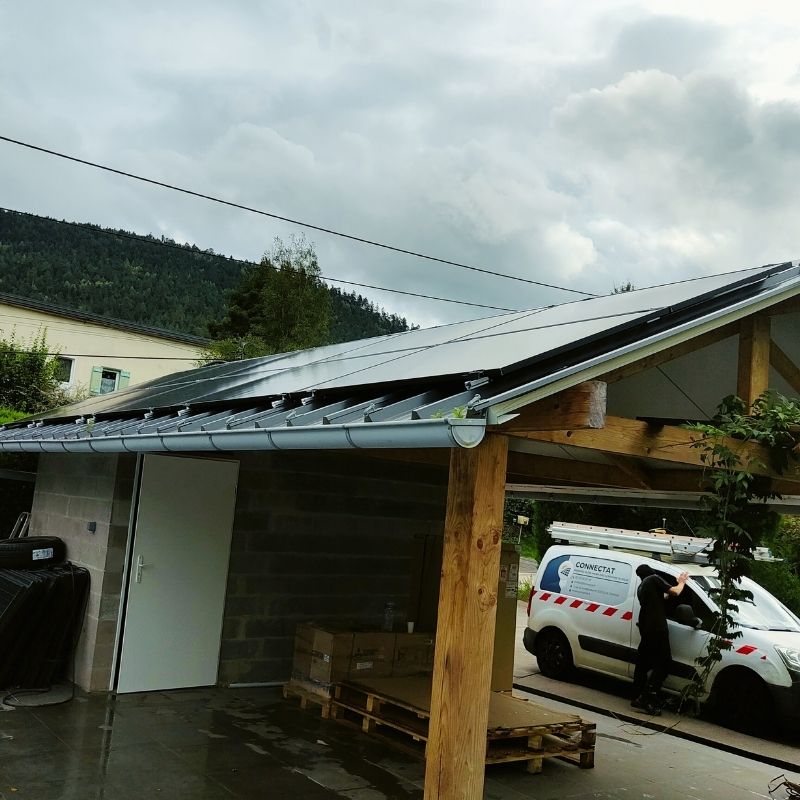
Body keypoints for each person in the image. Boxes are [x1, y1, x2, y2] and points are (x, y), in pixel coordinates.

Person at [631, 564, 689, 715]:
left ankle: (637, 696)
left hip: (645, 628)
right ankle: (648, 698)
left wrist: (668, 593)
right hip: (656, 629)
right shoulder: (654, 578)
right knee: (664, 664)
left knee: (643, 663)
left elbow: (662, 597)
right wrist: (681, 581)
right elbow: (675, 592)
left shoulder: (641, 587)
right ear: (651, 571)